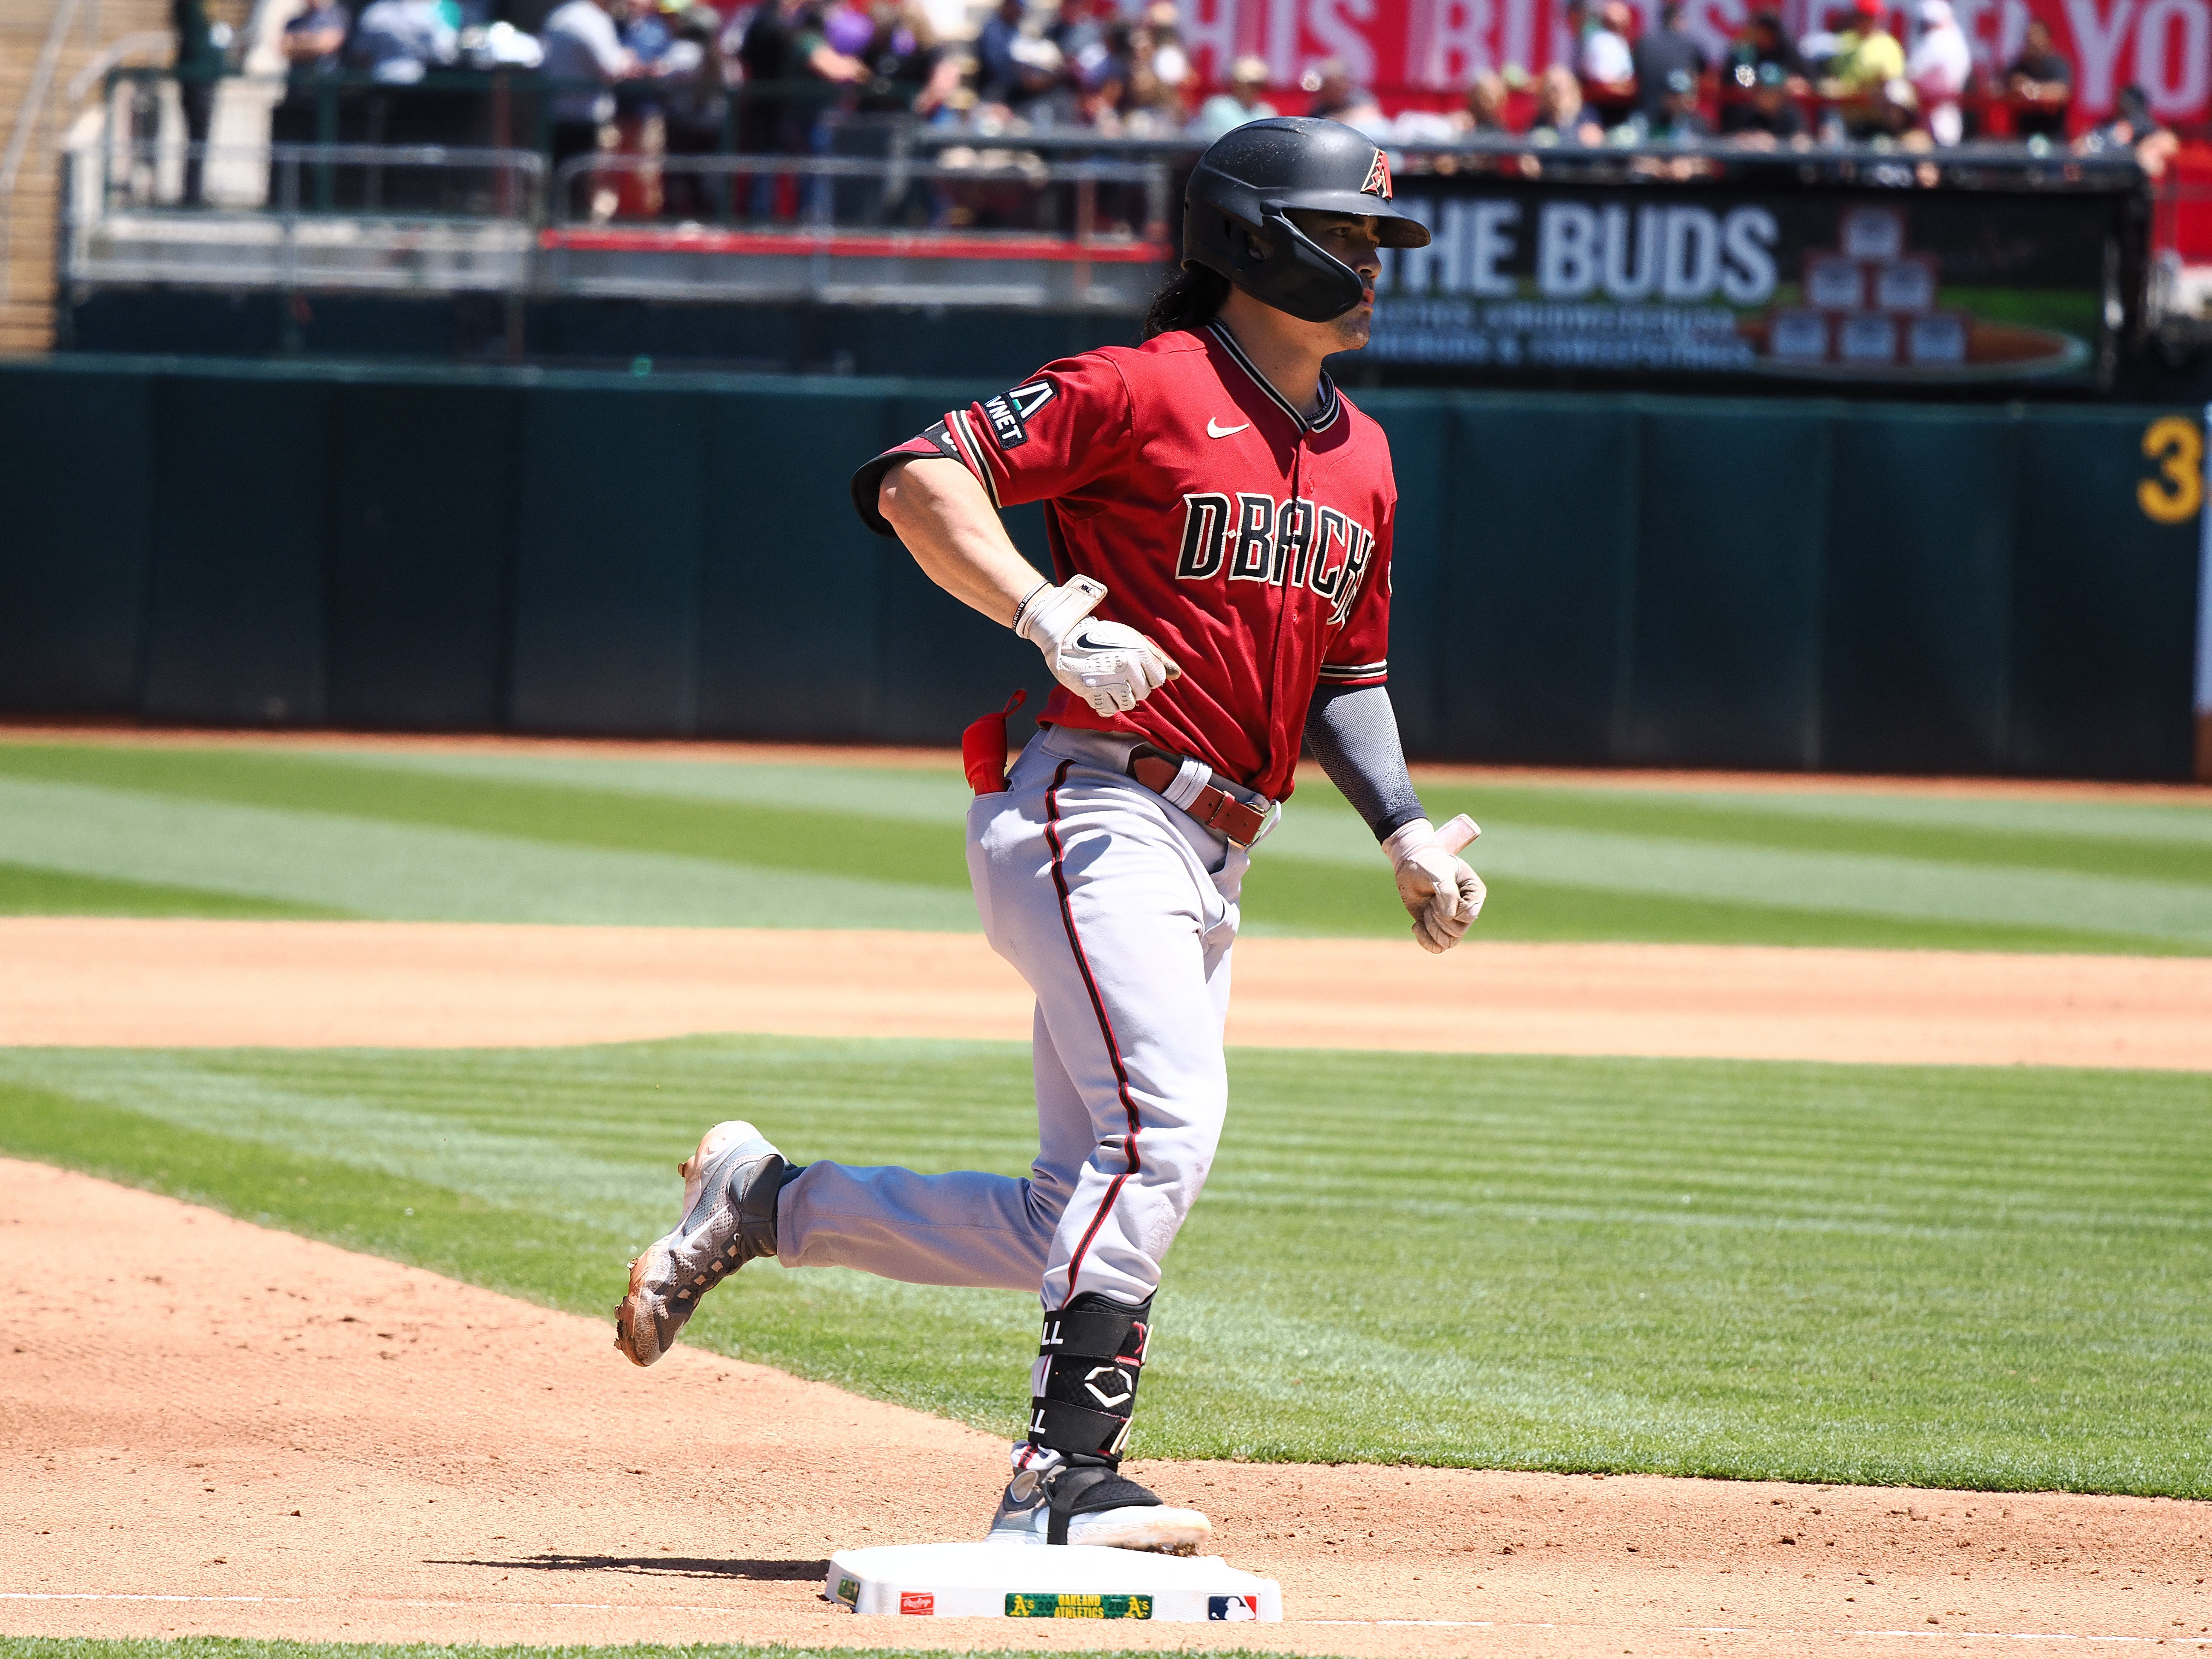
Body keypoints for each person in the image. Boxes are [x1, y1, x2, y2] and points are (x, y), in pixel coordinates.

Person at [613, 116, 1484, 1555]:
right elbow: (917, 479)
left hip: (1214, 850)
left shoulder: (1365, 457)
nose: (1377, 264)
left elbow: (1349, 674)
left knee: (1062, 1208)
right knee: (1166, 1135)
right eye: (1357, 233)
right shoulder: (1137, 387)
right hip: (1096, 806)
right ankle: (1060, 1475)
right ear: (1260, 238)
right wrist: (1044, 613)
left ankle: (762, 1202)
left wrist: (1401, 829)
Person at [171, 0, 224, 207]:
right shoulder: (191, 8)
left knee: (200, 138)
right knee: (197, 137)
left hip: (203, 79)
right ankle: (192, 194)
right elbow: (198, 42)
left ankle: (194, 191)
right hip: (197, 81)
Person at [2077, 81, 2177, 176]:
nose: (2121, 105)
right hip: (2094, 176)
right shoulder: (2105, 124)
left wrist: (2141, 155)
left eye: (2126, 101)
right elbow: (2081, 147)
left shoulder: (2141, 122)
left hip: (2123, 179)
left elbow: (2169, 144)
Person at [1905, 0, 1970, 145]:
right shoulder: (1957, 38)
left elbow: (1912, 74)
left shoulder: (1938, 39)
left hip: (1935, 110)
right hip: (1945, 109)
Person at [1632, 0, 1707, 121]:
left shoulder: (1644, 43)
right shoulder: (1690, 45)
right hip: (1676, 120)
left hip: (1645, 114)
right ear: (1679, 19)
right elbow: (1702, 74)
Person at [349, 0, 458, 83]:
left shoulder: (375, 12)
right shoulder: (377, 13)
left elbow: (360, 54)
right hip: (387, 81)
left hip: (408, 81)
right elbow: (444, 57)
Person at [2005, 18, 2072, 140]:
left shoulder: (2058, 65)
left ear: (2047, 39)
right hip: (2024, 136)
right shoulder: (2019, 67)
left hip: (2052, 136)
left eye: (2036, 36)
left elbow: (2061, 93)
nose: (2032, 41)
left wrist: (2032, 89)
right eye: (2029, 36)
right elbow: (2012, 89)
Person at [1191, 54, 1275, 139]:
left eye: (1258, 85)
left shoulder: (1266, 112)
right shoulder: (1217, 108)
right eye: (1250, 84)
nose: (1254, 89)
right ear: (1235, 83)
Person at [1528, 61, 1603, 143]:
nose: (1559, 94)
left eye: (1563, 88)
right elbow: (1529, 151)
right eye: (1553, 89)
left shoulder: (1588, 116)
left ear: (1573, 89)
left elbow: (1596, 143)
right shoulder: (1540, 122)